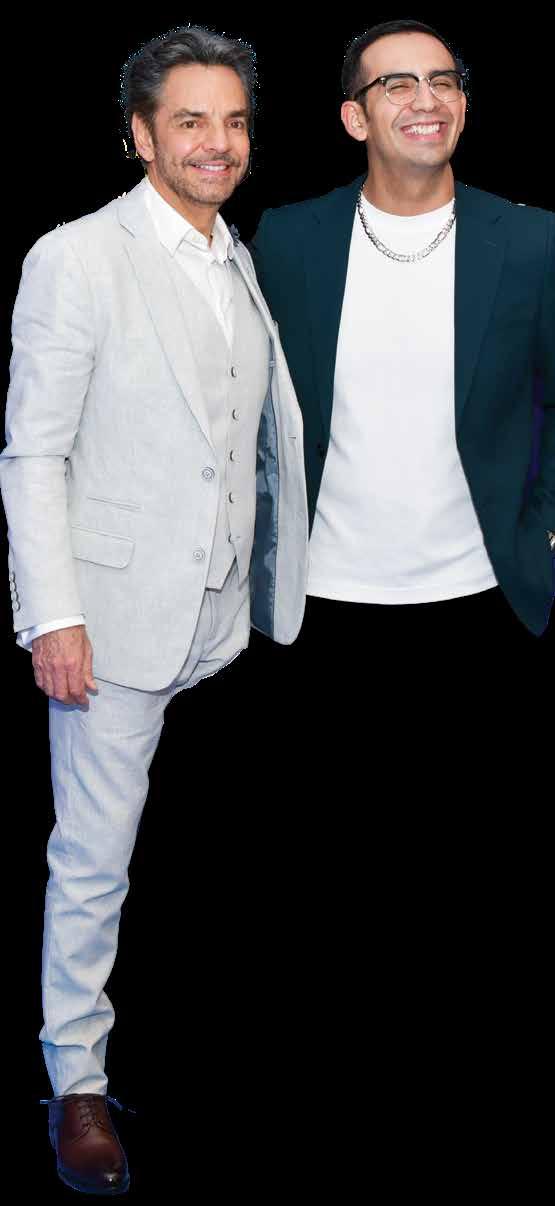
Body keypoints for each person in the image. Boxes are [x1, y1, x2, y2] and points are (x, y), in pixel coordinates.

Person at [0, 25, 307, 1196]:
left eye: (233, 121)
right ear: (140, 135)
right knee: (92, 862)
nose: (217, 142)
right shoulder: (78, 257)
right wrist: (54, 616)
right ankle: (76, 1078)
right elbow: (33, 453)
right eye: (190, 121)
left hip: (220, 615)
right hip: (116, 618)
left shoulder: (236, 256)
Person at [250, 18, 554, 758]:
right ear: (354, 118)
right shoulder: (286, 240)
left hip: (488, 593)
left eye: (442, 81)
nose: (427, 99)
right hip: (317, 599)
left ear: (462, 107)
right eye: (397, 84)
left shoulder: (532, 241)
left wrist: (546, 528)